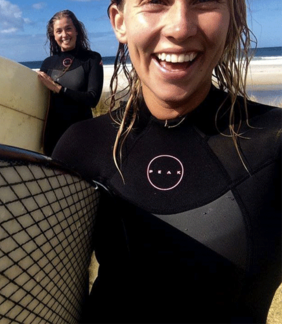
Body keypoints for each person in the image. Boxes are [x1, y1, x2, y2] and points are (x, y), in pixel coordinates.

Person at [52, 0, 281, 323]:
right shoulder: (81, 147)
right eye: (155, 2)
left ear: (234, 16)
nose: (180, 27)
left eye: (204, 2)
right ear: (120, 22)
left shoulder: (274, 143)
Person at [38, 10, 104, 156]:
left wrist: (58, 89)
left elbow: (92, 99)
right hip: (53, 138)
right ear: (53, 36)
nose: (64, 35)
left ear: (77, 30)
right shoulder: (48, 64)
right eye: (59, 31)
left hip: (82, 136)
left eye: (68, 28)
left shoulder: (91, 59)